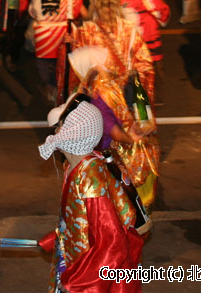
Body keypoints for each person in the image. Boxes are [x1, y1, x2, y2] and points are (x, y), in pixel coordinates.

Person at [38, 99, 144, 293]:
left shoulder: (89, 178)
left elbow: (112, 242)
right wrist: (55, 238)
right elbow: (79, 219)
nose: (55, 131)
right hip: (76, 258)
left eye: (60, 125)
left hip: (89, 270)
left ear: (73, 134)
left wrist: (78, 281)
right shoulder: (74, 166)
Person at [72, 0, 158, 206]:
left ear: (94, 4)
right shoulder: (130, 30)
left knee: (105, 151)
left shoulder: (84, 32)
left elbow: (79, 75)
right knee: (138, 146)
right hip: (130, 100)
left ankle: (108, 202)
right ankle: (138, 202)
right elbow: (146, 67)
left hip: (104, 101)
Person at [27, 0, 85, 103]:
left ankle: (49, 89)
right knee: (64, 66)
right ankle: (63, 93)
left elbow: (33, 12)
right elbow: (81, 12)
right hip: (63, 34)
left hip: (43, 35)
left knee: (45, 66)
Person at [119, 0, 170, 95]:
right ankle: (154, 96)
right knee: (152, 68)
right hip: (146, 37)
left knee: (128, 68)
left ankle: (128, 96)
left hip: (124, 38)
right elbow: (161, 11)